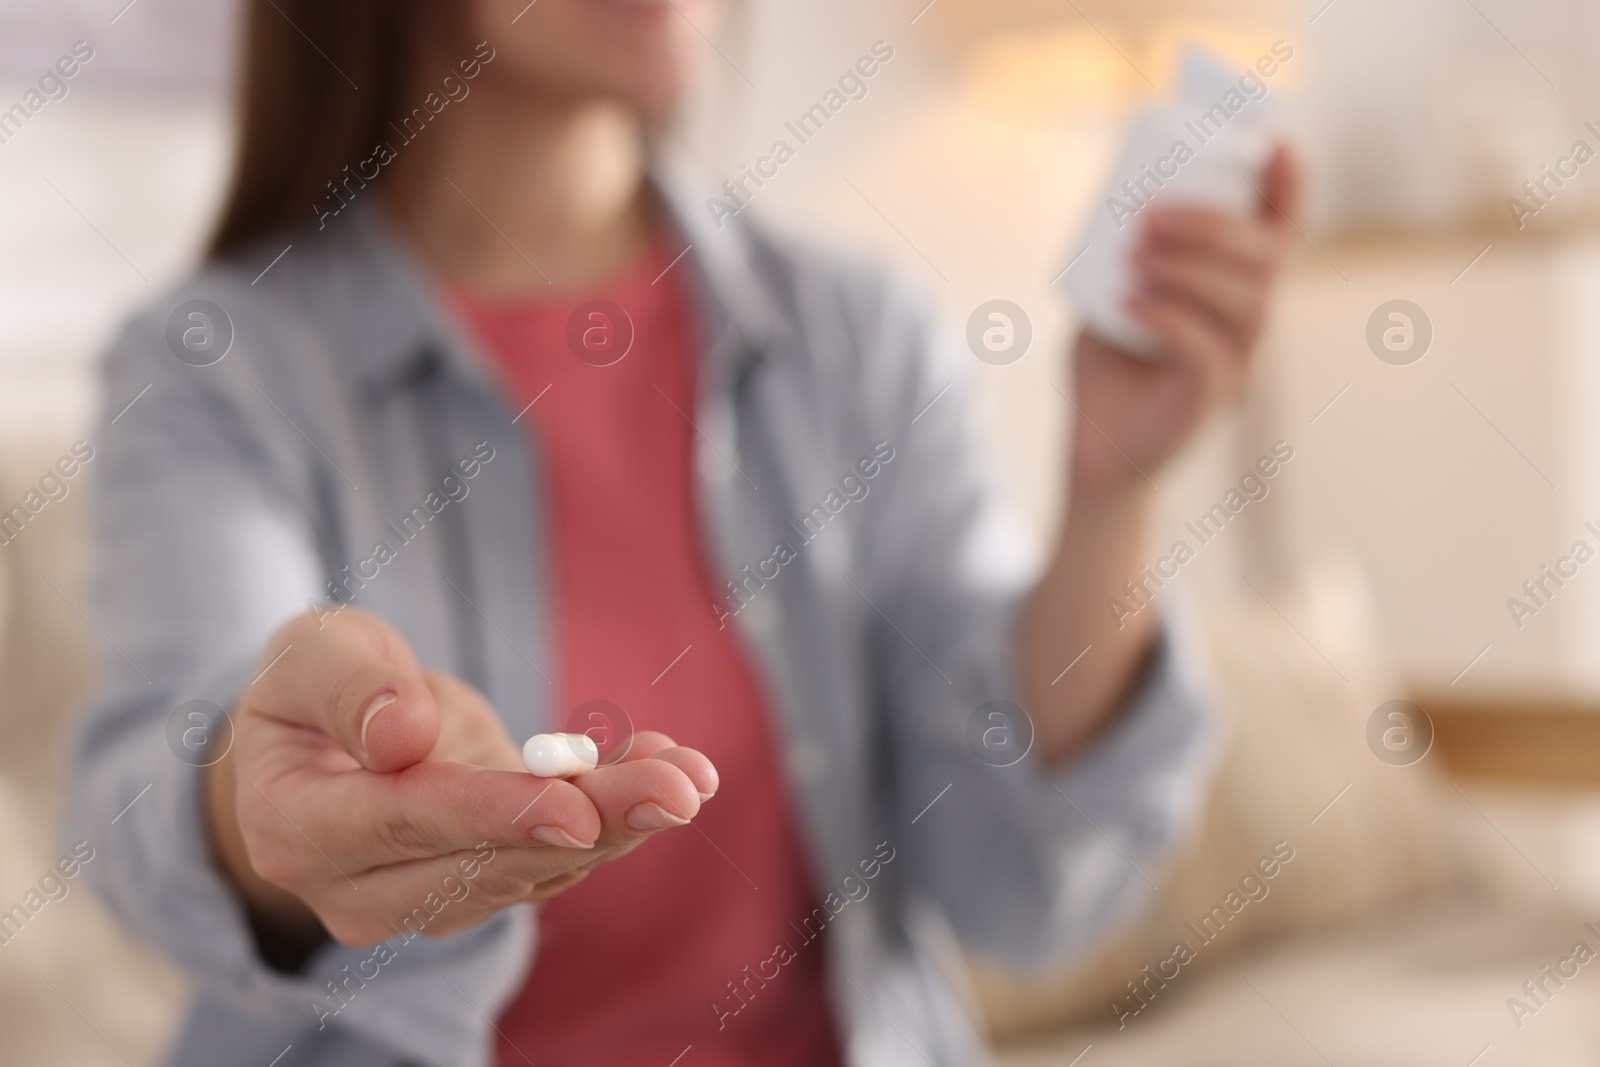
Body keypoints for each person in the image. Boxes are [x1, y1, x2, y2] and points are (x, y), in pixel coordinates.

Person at [64, 1, 1299, 1065]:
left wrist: (1109, 491)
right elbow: (159, 778)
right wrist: (265, 796)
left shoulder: (855, 336)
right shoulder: (217, 366)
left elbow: (1017, 885)